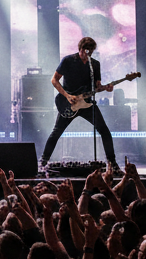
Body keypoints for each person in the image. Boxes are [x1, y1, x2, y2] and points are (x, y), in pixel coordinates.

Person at [41, 36, 118, 175]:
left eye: (90, 51)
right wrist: (67, 95)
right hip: (69, 103)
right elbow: (54, 80)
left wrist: (106, 88)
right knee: (56, 132)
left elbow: (97, 87)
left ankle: (112, 163)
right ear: (80, 48)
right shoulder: (68, 60)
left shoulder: (95, 65)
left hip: (87, 104)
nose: (86, 54)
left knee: (104, 131)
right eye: (85, 50)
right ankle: (43, 162)